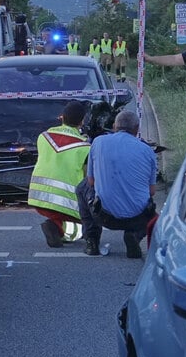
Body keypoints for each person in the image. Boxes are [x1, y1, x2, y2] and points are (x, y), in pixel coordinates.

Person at [76, 110, 157, 258]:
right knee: (152, 211)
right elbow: (152, 191)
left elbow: (91, 182)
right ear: (137, 128)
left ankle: (92, 240)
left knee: (82, 188)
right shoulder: (148, 151)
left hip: (104, 215)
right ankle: (135, 235)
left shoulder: (98, 142)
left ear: (114, 126)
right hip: (137, 218)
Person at [28, 101, 91, 248]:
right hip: (66, 201)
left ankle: (56, 224)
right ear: (82, 121)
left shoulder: (43, 137)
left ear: (62, 117)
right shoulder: (85, 147)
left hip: (39, 197)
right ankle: (56, 226)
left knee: (67, 224)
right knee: (77, 233)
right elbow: (89, 177)